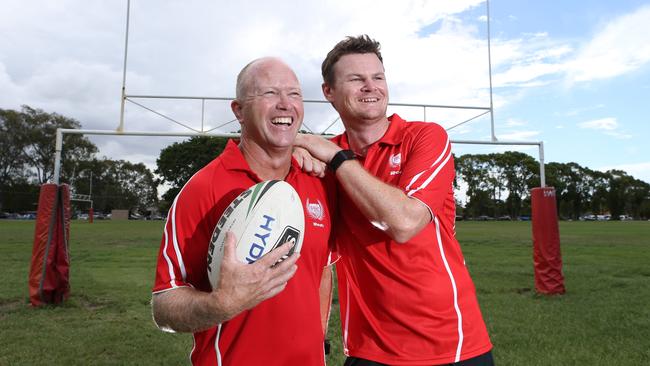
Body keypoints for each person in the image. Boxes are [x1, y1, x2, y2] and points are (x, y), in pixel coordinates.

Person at [294, 35, 494, 365]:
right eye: (356, 79)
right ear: (328, 92)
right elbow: (320, 262)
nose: (370, 87)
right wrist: (315, 343)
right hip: (368, 348)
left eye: (378, 77)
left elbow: (403, 223)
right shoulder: (320, 158)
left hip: (449, 346)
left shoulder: (426, 137)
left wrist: (336, 157)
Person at [151, 57, 334, 366]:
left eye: (294, 94)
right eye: (269, 93)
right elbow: (164, 305)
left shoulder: (319, 182)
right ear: (238, 111)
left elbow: (322, 270)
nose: (285, 104)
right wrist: (221, 304)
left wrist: (318, 342)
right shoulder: (203, 189)